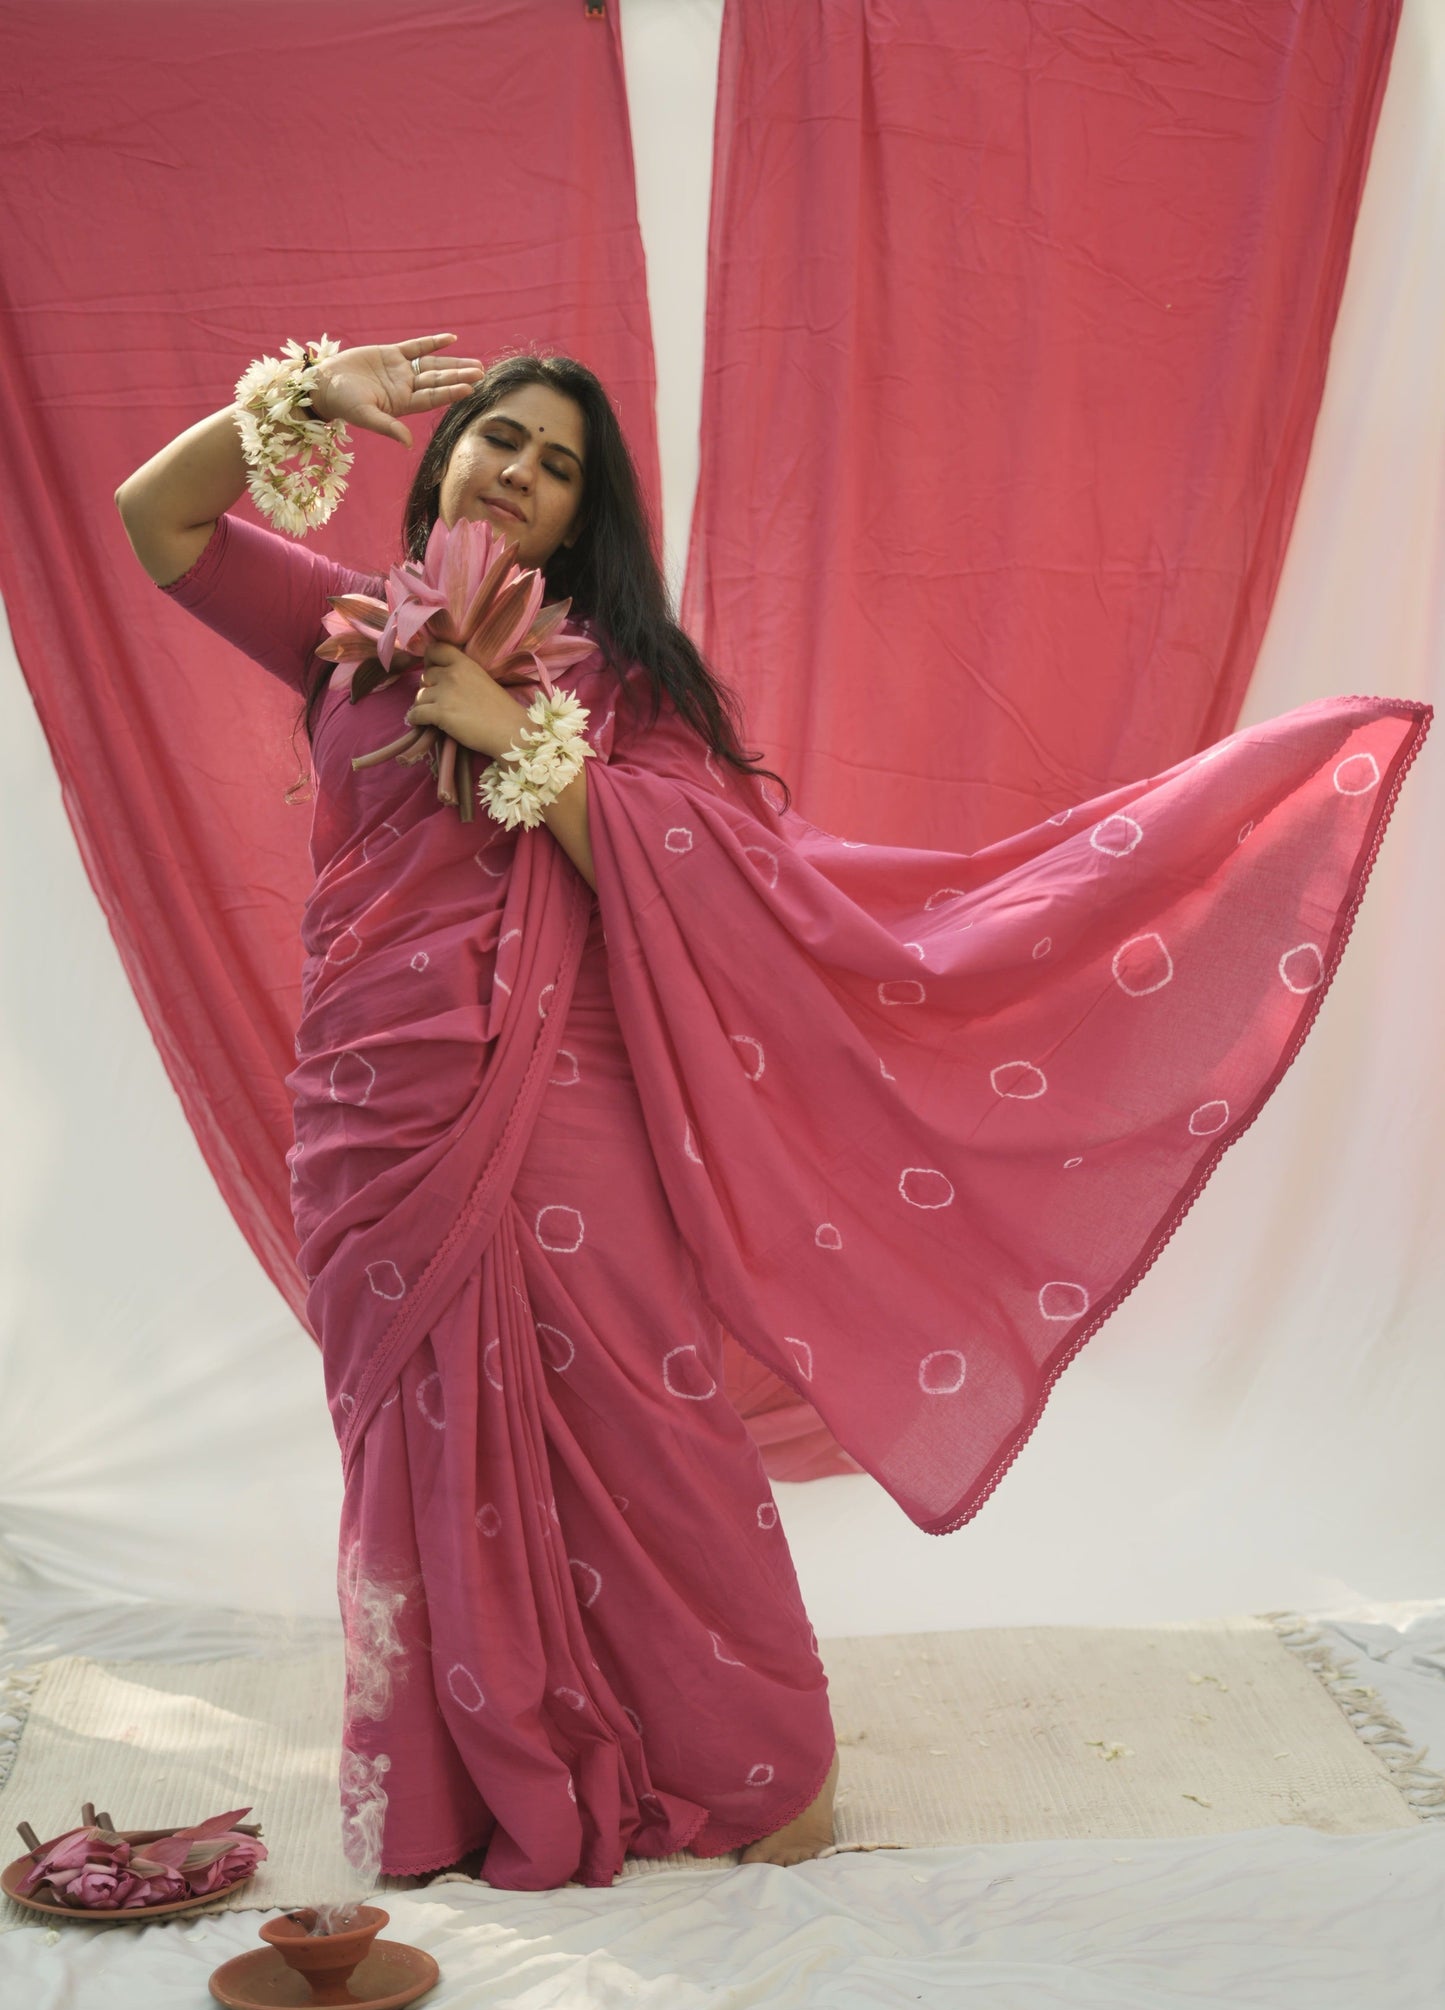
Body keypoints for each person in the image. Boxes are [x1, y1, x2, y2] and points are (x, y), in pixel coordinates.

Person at [116, 332, 1429, 1891]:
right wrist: (287, 404)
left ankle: (755, 1761)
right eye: (499, 439)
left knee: (647, 1424)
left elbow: (722, 888)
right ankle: (462, 1782)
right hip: (366, 1105)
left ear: (582, 516)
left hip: (562, 1102)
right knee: (407, 1434)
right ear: (441, 448)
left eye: (557, 465)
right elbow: (156, 523)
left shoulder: (621, 683)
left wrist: (522, 741)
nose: (519, 473)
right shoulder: (345, 635)